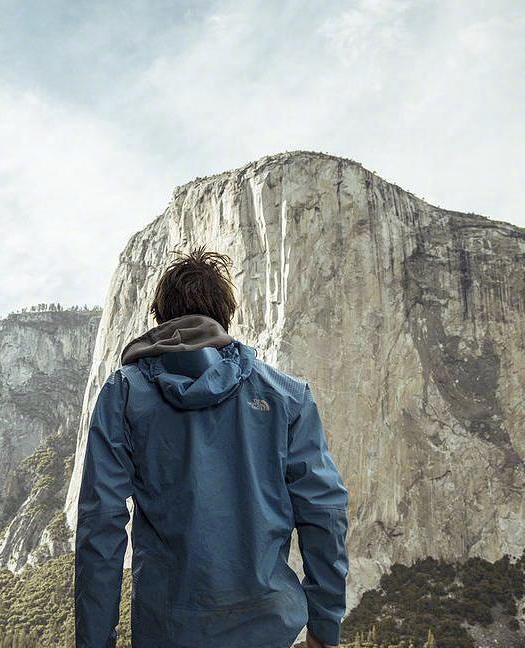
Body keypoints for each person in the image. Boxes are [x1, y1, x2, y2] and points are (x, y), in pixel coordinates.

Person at [74, 246, 349, 648]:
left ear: (161, 318)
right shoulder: (288, 397)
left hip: (168, 632)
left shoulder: (125, 394)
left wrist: (95, 641)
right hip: (270, 630)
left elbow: (100, 525)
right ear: (226, 318)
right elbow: (324, 514)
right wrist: (324, 628)